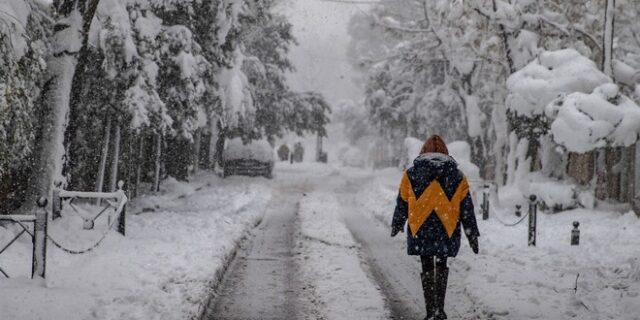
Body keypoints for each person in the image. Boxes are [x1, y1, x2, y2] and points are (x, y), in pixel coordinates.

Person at [391, 134, 480, 320]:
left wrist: (398, 222)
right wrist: (472, 234)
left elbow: (403, 201)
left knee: (426, 264)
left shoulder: (411, 174)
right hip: (446, 228)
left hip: (421, 228)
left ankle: (430, 310)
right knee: (441, 263)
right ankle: (440, 309)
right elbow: (466, 208)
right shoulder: (457, 176)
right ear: (446, 153)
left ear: (423, 152)